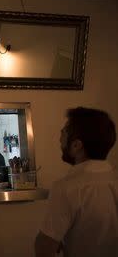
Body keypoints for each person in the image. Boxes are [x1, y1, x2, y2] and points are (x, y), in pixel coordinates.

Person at [35, 107, 118, 257]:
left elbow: (44, 248)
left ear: (76, 145)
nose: (60, 138)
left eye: (64, 132)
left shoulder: (66, 188)